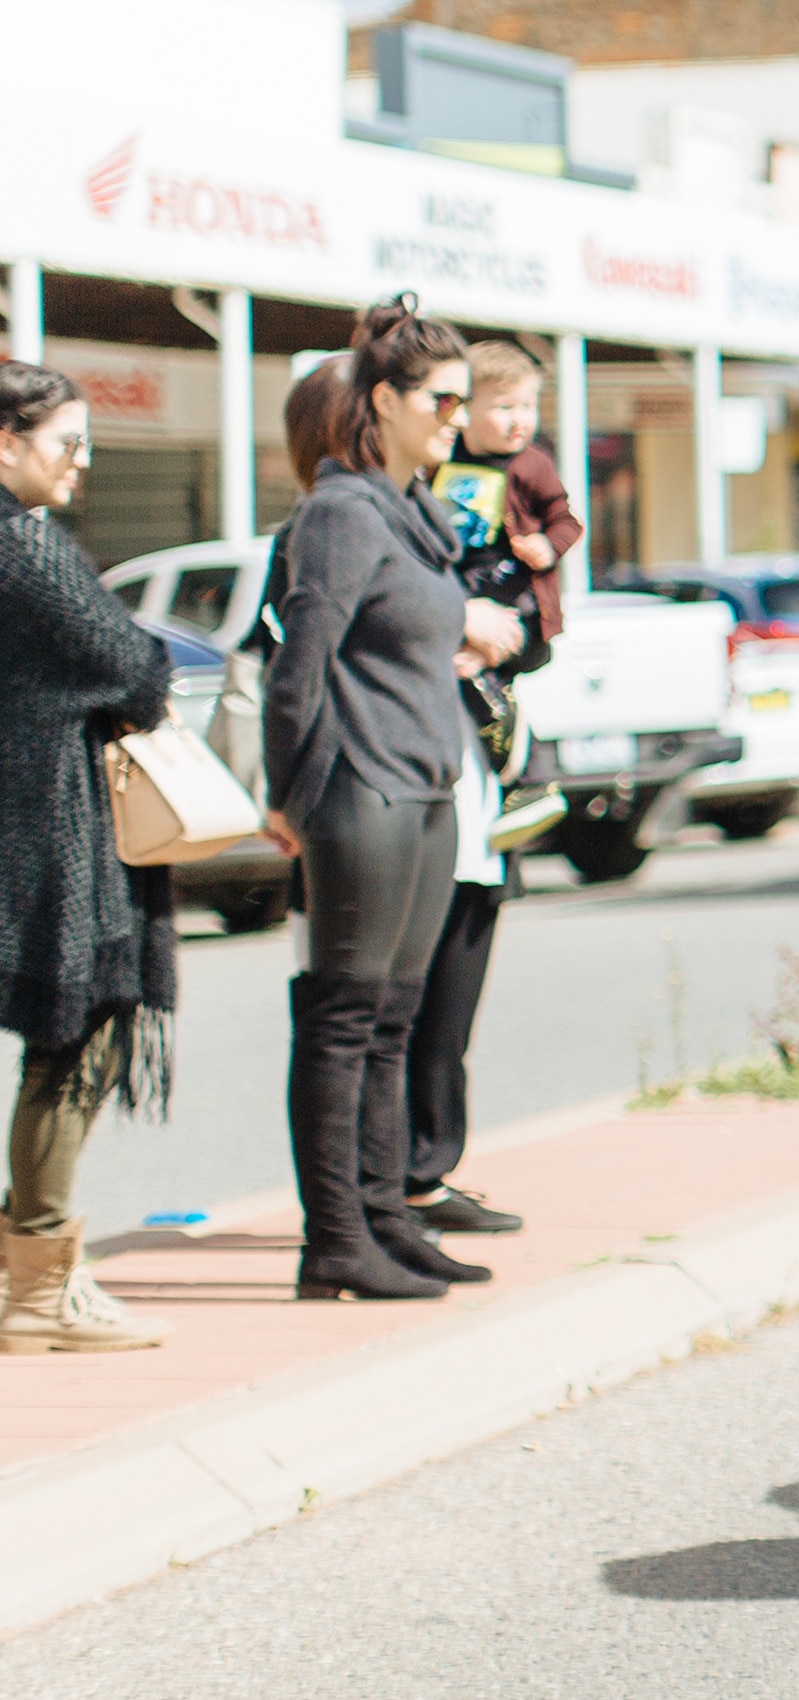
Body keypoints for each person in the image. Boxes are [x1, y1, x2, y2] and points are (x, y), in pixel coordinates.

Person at [257, 299, 525, 1303]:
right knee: (344, 1016)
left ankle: (385, 1219)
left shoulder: (411, 514)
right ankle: (334, 1239)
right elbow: (299, 664)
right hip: (357, 788)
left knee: (397, 1021)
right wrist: (289, 794)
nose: (459, 416)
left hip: (426, 785)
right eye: (441, 400)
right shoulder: (339, 514)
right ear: (385, 401)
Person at [0, 362, 177, 1356]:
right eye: (68, 444)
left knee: (61, 1039)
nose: (80, 465)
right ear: (6, 444)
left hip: (22, 826)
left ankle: (27, 1275)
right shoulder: (25, 550)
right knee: (79, 1037)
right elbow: (135, 667)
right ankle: (39, 1285)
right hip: (44, 838)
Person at [402, 338, 582, 1235]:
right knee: (393, 1010)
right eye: (446, 401)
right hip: (408, 811)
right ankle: (392, 1183)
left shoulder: (520, 477)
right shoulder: (385, 513)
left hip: (480, 807)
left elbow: (541, 616)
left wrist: (507, 626)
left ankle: (429, 1173)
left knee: (450, 1010)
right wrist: (450, 626)